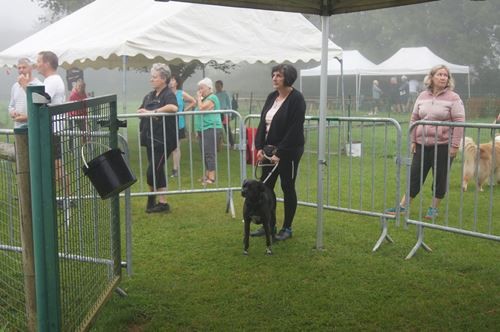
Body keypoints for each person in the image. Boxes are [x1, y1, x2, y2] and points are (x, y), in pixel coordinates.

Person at [387, 65, 465, 220]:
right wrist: (413, 140)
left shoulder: (453, 97)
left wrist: (455, 145)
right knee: (414, 175)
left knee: (440, 178)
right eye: (440, 74)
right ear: (431, 77)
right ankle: (402, 206)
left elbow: (459, 121)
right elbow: (414, 118)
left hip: (443, 145)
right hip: (421, 144)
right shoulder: (422, 95)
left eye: (446, 75)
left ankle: (433, 208)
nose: (443, 77)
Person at [250, 64, 306, 241]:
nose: (274, 78)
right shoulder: (271, 97)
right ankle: (270, 225)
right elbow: (262, 124)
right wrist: (259, 147)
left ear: (288, 78)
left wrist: (280, 153)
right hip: (268, 150)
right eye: (273, 75)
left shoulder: (297, 99)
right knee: (266, 188)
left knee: (287, 187)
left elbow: (294, 129)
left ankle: (287, 228)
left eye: (279, 76)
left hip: (289, 151)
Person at [138, 63, 178, 213]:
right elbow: (141, 109)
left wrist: (152, 112)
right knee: (158, 171)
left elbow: (173, 108)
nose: (151, 80)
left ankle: (151, 198)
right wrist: (142, 112)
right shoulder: (149, 96)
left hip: (163, 141)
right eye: (151, 77)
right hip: (150, 139)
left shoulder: (168, 94)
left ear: (163, 79)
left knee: (152, 171)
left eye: (154, 77)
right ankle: (162, 203)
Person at [35, 51, 67, 208]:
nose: (37, 64)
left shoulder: (52, 80)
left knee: (57, 167)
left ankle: (67, 199)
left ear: (47, 63)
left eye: (39, 61)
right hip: (52, 129)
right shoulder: (51, 79)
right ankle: (56, 198)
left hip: (52, 130)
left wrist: (26, 88)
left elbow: (42, 99)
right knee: (54, 166)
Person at [194, 78, 223, 185]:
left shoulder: (212, 97)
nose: (200, 90)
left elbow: (201, 109)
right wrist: (197, 130)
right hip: (202, 129)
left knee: (209, 153)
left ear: (209, 88)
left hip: (211, 128)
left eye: (202, 88)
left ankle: (212, 177)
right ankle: (206, 175)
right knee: (204, 153)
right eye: (199, 88)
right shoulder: (204, 99)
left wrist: (198, 98)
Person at [169, 74, 196, 177]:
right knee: (169, 146)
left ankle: (175, 170)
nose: (171, 82)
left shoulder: (181, 93)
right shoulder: (166, 93)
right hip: (168, 123)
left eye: (173, 80)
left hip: (178, 123)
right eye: (170, 80)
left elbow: (194, 101)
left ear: (176, 83)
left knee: (176, 147)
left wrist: (184, 110)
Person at [8, 58, 42, 128]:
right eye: (19, 68)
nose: (21, 70)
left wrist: (27, 117)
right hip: (18, 127)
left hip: (34, 127)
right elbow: (11, 105)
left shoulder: (38, 84)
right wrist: (12, 112)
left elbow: (41, 105)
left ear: (31, 68)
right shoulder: (15, 86)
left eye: (24, 67)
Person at [215, 80, 234, 149]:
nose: (217, 87)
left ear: (222, 86)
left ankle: (232, 144)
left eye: (218, 86)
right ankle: (218, 144)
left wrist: (229, 115)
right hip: (217, 114)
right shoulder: (215, 95)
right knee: (217, 129)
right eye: (216, 86)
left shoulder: (225, 94)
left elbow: (229, 104)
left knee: (227, 129)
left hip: (225, 114)